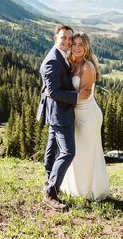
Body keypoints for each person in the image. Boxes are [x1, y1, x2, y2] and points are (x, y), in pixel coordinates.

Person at [37, 25, 91, 211]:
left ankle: (49, 180)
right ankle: (50, 194)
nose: (68, 41)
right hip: (60, 112)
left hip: (57, 112)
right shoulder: (52, 60)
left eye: (70, 38)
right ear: (55, 38)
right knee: (68, 152)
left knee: (51, 150)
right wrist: (77, 97)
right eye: (64, 38)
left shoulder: (63, 56)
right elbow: (52, 91)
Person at [60, 32, 109, 201]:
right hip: (74, 114)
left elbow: (86, 93)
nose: (77, 47)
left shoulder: (88, 67)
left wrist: (61, 96)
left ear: (86, 47)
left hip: (88, 115)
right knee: (76, 153)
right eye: (74, 44)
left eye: (81, 44)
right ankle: (76, 189)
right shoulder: (71, 63)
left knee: (88, 153)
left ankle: (90, 191)